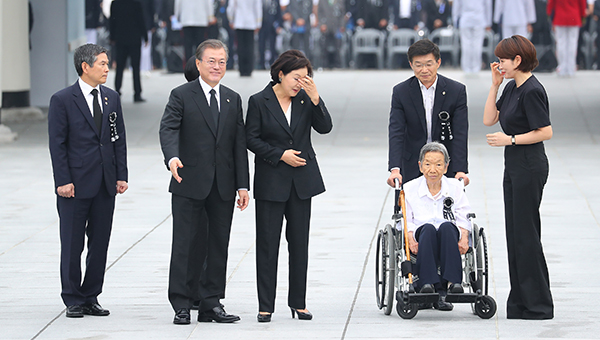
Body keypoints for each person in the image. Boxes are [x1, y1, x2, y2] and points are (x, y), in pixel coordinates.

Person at [159, 39, 250, 325]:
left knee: (218, 244)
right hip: (188, 180)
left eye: (221, 61)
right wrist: (172, 158)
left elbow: (239, 145)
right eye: (211, 61)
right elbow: (169, 128)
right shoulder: (182, 95)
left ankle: (211, 303)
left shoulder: (232, 99)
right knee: (186, 244)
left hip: (222, 184)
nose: (216, 66)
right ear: (198, 64)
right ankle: (182, 303)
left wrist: (243, 185)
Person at [245, 50, 333, 323]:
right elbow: (251, 139)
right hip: (271, 182)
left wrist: (317, 99)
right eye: (297, 78)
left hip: (301, 184)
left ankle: (299, 302)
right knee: (267, 245)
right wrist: (279, 154)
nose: (300, 84)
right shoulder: (259, 101)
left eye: (306, 78)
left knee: (299, 244)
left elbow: (325, 128)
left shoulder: (307, 100)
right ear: (280, 74)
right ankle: (265, 306)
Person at [48, 43, 128, 318]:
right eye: (102, 64)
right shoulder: (62, 100)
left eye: (108, 63)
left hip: (105, 182)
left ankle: (91, 294)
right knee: (72, 242)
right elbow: (57, 144)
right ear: (85, 66)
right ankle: (72, 297)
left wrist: (121, 175)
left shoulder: (111, 98)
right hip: (75, 184)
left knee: (100, 241)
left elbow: (118, 138)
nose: (107, 68)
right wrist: (63, 180)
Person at [484, 35, 554, 319]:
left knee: (527, 235)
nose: (499, 63)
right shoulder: (512, 88)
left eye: (503, 59)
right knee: (514, 234)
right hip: (513, 165)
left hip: (529, 165)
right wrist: (495, 85)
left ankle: (538, 304)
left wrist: (510, 140)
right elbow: (489, 119)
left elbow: (545, 131)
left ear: (518, 60)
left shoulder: (532, 90)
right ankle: (521, 302)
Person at [387, 39, 469, 188]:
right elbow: (396, 131)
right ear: (411, 65)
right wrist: (395, 169)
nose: (424, 70)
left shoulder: (456, 91)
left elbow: (460, 133)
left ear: (438, 63)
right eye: (418, 65)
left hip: (445, 161)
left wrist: (460, 169)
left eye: (428, 64)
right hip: (413, 161)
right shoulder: (401, 92)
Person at [404, 142, 471, 311]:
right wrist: (410, 239)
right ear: (420, 166)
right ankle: (427, 283)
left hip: (449, 234)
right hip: (422, 234)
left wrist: (464, 238)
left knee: (447, 227)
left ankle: (452, 282)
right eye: (428, 164)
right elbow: (407, 220)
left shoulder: (456, 187)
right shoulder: (410, 188)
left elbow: (464, 214)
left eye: (438, 164)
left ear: (446, 167)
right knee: (428, 229)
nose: (432, 170)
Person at [109, 0, 149, 102]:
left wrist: (112, 37)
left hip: (120, 38)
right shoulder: (136, 3)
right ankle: (137, 93)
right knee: (136, 67)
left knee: (120, 67)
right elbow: (141, 20)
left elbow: (112, 21)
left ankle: (117, 90)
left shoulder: (116, 3)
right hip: (134, 39)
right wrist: (145, 36)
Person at [547, 0, 587, 77]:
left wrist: (549, 13)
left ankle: (562, 67)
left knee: (560, 43)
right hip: (574, 16)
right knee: (573, 43)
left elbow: (551, 2)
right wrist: (583, 15)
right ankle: (571, 68)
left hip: (560, 16)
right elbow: (582, 3)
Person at [452, 0, 492, 74]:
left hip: (465, 19)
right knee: (477, 44)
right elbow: (488, 6)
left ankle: (466, 67)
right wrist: (488, 22)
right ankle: (476, 67)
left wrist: (455, 20)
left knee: (466, 44)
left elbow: (456, 6)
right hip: (479, 19)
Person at [227, 0, 263, 76]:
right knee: (250, 47)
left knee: (240, 46)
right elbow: (258, 7)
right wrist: (258, 23)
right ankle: (249, 69)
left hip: (239, 21)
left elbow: (231, 7)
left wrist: (231, 19)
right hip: (251, 21)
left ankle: (242, 69)